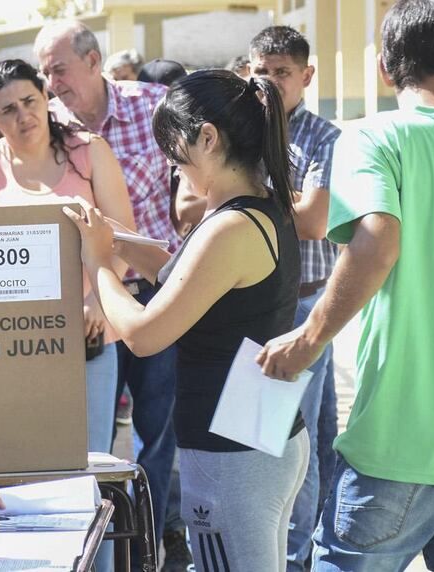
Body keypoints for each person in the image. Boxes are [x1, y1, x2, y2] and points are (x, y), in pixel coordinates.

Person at [66, 69, 306, 571]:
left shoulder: (229, 228)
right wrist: (112, 239)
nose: (172, 168)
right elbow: (185, 277)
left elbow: (143, 334)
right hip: (262, 433)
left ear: (208, 138)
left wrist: (97, 265)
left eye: (174, 154)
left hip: (232, 455)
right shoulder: (261, 207)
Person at [258, 1, 434, 569]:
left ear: (383, 67)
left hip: (395, 449)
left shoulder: (371, 138)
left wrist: (308, 339)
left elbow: (376, 243)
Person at [34, 20, 179, 551]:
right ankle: (94, 548)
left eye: (60, 69)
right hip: (86, 305)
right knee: (87, 442)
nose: (53, 84)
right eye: (45, 73)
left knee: (156, 433)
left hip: (157, 294)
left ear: (94, 62)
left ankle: (148, 546)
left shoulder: (156, 105)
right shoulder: (47, 125)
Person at [0, 59, 135, 456]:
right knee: (19, 458)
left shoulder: (90, 152)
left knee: (89, 460)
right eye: (9, 109)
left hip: (86, 336)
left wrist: (99, 299)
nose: (24, 115)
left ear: (46, 98)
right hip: (8, 344)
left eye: (30, 101)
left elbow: (123, 235)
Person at [247, 24, 342, 572]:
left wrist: (252, 191)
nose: (270, 83)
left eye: (282, 72)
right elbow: (193, 206)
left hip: (306, 305)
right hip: (257, 304)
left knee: (291, 442)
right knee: (300, 438)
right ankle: (299, 548)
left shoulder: (324, 137)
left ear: (306, 76)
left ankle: (292, 555)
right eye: (261, 72)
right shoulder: (239, 131)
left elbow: (313, 221)